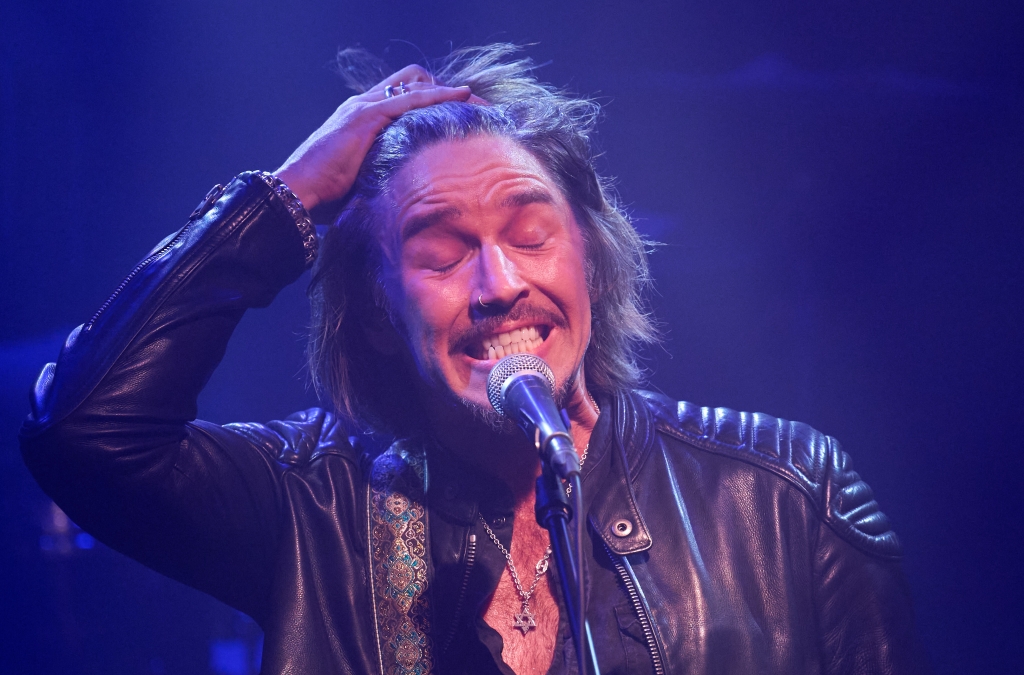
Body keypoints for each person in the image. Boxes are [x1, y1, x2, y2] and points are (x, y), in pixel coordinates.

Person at [19, 45, 923, 674]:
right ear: (380, 314)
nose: (499, 284)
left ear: (591, 264)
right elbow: (85, 433)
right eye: (442, 253)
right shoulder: (315, 505)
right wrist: (285, 199)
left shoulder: (789, 497)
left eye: (531, 236)